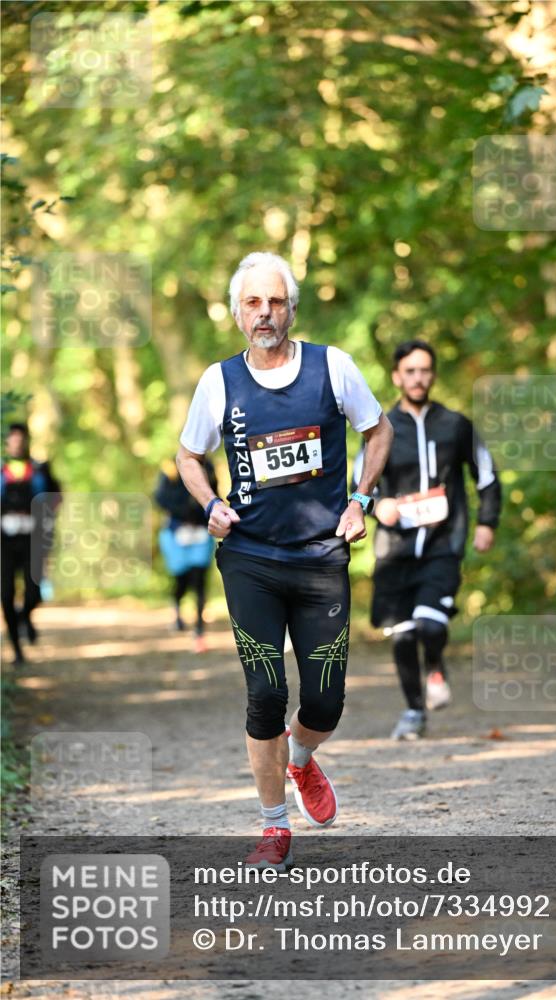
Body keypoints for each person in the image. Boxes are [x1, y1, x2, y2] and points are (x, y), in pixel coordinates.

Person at [176, 251, 393, 870]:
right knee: (266, 694)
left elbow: (377, 431)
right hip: (249, 558)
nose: (264, 313)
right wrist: (211, 503)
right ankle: (273, 827)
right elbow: (189, 457)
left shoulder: (333, 367)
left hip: (322, 554)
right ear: (236, 313)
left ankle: (300, 760)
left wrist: (359, 501)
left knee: (325, 701)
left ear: (291, 308)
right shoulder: (218, 382)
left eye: (274, 302)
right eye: (252, 303)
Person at [356, 340, 501, 740]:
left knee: (431, 624)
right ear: (396, 377)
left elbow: (486, 476)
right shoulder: (379, 428)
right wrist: (376, 504)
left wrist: (487, 522)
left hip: (442, 543)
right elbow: (357, 483)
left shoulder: (456, 425)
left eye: (425, 370)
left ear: (433, 375)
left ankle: (435, 664)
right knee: (403, 635)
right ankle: (414, 711)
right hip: (394, 550)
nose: (418, 378)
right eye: (410, 371)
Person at [1, 422, 61, 664]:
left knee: (34, 592)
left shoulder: (39, 469)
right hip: (4, 540)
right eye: (12, 438)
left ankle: (24, 616)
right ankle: (17, 650)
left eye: (20, 438)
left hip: (32, 539)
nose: (16, 442)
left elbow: (55, 499)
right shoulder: (2, 470)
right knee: (5, 594)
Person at [154, 457, 218, 653]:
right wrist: (184, 512)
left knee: (199, 582)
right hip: (176, 533)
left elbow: (214, 494)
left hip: (200, 532)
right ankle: (177, 610)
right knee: (181, 580)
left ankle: (199, 632)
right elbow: (160, 498)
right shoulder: (170, 467)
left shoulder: (209, 467)